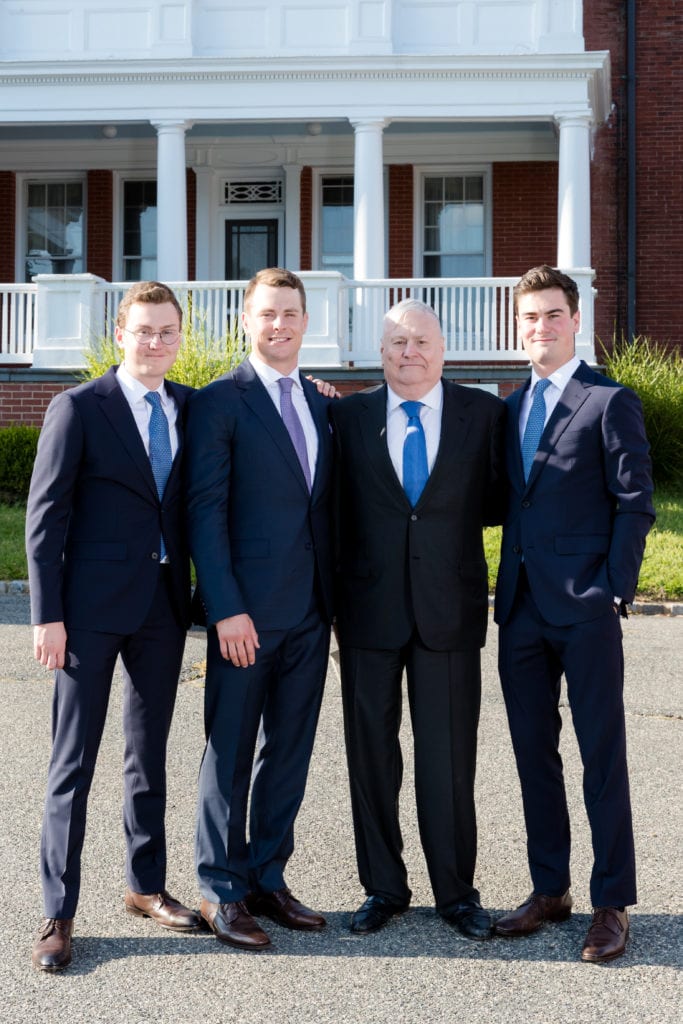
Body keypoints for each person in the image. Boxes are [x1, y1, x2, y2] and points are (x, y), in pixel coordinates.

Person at [26, 281, 201, 972]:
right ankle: (58, 911)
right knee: (72, 762)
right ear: (120, 335)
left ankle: (144, 885)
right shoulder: (79, 408)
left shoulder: (190, 404)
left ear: (178, 338)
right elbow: (45, 520)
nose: (154, 342)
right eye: (143, 330)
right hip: (88, 613)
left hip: (162, 608)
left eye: (166, 331)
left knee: (147, 754)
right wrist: (48, 616)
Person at [493, 265, 655, 963]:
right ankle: (549, 887)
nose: (539, 327)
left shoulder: (606, 400)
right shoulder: (508, 407)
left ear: (573, 320)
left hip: (584, 607)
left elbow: (634, 501)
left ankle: (611, 901)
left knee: (600, 758)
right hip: (520, 611)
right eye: (528, 317)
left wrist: (612, 589)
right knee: (533, 757)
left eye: (550, 315)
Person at [330, 298, 506, 939]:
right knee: (370, 756)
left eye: (421, 341)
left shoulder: (485, 415)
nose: (410, 352)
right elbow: (332, 511)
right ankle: (383, 887)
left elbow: (500, 502)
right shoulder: (344, 418)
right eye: (397, 342)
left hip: (449, 612)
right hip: (367, 612)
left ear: (443, 348)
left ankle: (457, 893)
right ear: (381, 353)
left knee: (448, 761)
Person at [185, 267, 334, 950]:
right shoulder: (220, 401)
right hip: (244, 616)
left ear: (306, 322)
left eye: (290, 314)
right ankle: (221, 890)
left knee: (289, 754)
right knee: (230, 752)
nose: (279, 325)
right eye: (267, 314)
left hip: (309, 613)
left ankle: (268, 877)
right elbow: (205, 513)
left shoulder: (320, 401)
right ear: (246, 321)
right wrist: (225, 608)